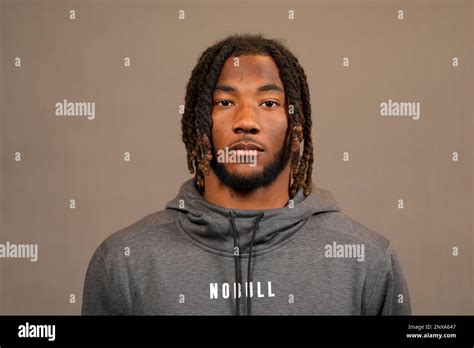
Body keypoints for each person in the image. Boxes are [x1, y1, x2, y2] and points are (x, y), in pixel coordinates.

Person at [82, 33, 411, 315]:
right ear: (199, 127)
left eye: (268, 103)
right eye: (225, 103)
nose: (246, 121)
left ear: (296, 129)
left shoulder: (367, 261)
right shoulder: (125, 261)